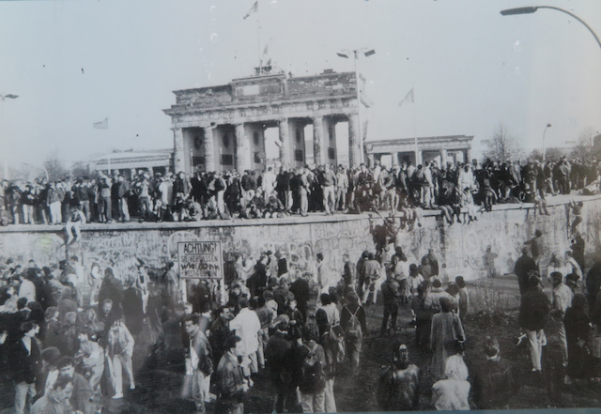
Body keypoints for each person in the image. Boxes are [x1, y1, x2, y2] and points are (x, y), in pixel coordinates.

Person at [472, 336, 519, 410]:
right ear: (498, 350)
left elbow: (476, 392)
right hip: (502, 404)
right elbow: (513, 387)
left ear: (485, 352)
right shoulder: (508, 366)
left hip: (486, 406)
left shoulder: (479, 370)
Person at [182, 313, 214, 414]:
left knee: (197, 393)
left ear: (196, 325)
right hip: (197, 367)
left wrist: (203, 371)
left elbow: (206, 356)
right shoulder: (193, 335)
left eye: (189, 325)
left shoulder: (200, 339)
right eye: (185, 325)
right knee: (196, 392)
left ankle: (201, 411)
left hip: (201, 369)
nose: (186, 328)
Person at [519, 274, 550, 373]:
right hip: (540, 322)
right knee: (539, 342)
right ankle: (538, 363)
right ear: (537, 284)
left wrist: (521, 324)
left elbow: (522, 312)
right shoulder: (543, 295)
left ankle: (536, 366)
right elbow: (547, 310)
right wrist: (544, 322)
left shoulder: (525, 296)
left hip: (529, 323)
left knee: (533, 343)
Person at [430, 297, 465, 380]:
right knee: (452, 361)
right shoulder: (455, 317)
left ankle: (442, 379)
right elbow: (461, 334)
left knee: (441, 364)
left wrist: (432, 346)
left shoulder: (436, 317)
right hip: (452, 344)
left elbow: (433, 334)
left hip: (440, 344)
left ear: (441, 306)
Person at [377, 343, 420, 411]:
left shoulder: (414, 370)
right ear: (396, 355)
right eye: (402, 351)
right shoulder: (390, 373)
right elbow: (382, 397)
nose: (404, 354)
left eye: (405, 351)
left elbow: (417, 392)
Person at [11, 321, 41, 414]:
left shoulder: (34, 342)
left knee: (33, 398)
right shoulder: (17, 343)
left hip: (32, 376)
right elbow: (14, 361)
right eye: (33, 329)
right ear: (27, 330)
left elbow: (38, 357)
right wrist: (18, 376)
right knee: (21, 400)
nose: (34, 331)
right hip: (22, 378)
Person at [564, 293, 594, 384]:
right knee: (583, 358)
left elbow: (566, 324)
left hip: (571, 339)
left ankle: (569, 378)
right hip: (581, 339)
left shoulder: (569, 311)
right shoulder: (583, 314)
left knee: (572, 358)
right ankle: (583, 378)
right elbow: (587, 328)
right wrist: (584, 339)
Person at [215, 335, 249, 414]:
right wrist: (242, 387)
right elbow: (228, 389)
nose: (243, 349)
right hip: (232, 405)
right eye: (240, 347)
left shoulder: (230, 358)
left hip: (233, 402)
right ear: (232, 349)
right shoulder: (228, 365)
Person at [228, 296, 261, 376]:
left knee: (245, 358)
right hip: (252, 338)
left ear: (239, 305)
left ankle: (247, 375)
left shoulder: (240, 316)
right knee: (253, 355)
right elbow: (258, 326)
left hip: (244, 340)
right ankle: (255, 371)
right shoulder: (253, 313)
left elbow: (231, 326)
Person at [298, 323, 327, 414]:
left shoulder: (301, 348)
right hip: (319, 382)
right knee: (320, 408)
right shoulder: (320, 348)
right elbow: (323, 365)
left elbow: (298, 366)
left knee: (307, 408)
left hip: (305, 383)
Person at [105, 314, 135, 399]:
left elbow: (130, 339)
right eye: (113, 321)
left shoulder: (123, 328)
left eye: (116, 321)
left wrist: (128, 350)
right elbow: (108, 342)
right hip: (114, 354)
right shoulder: (110, 330)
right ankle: (118, 391)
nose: (115, 323)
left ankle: (131, 382)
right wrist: (107, 350)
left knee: (128, 369)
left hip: (124, 353)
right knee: (116, 373)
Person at [550, 271, 573, 368]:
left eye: (551, 279)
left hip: (561, 317)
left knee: (562, 338)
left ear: (556, 280)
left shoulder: (557, 292)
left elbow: (559, 308)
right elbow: (572, 298)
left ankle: (566, 360)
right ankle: (571, 357)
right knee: (569, 337)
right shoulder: (566, 288)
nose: (550, 281)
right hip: (570, 314)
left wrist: (551, 312)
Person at [340, 291, 367, 374]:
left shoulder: (345, 309)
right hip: (357, 332)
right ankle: (354, 368)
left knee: (348, 348)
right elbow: (363, 322)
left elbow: (342, 322)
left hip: (348, 332)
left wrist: (343, 331)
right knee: (356, 350)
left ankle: (350, 363)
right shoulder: (360, 309)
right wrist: (364, 331)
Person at [380, 271, 400, 336]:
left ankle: (383, 330)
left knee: (385, 316)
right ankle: (393, 330)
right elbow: (397, 293)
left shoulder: (383, 284)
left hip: (386, 301)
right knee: (394, 317)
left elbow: (383, 293)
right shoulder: (395, 284)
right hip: (394, 301)